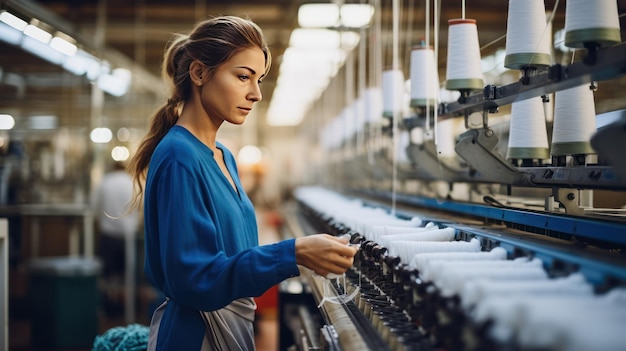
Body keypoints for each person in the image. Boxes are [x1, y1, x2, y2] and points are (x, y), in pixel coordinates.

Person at [126, 15, 358, 350]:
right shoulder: (180, 157)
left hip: (233, 330)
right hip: (196, 338)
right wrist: (294, 253)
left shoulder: (225, 157)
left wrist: (297, 252)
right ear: (200, 73)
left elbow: (233, 254)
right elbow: (194, 279)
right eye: (243, 77)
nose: (256, 94)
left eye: (259, 79)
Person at [91, 160, 140, 317]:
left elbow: (94, 208)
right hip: (130, 237)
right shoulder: (133, 182)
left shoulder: (104, 182)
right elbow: (143, 208)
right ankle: (128, 311)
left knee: (108, 275)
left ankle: (108, 309)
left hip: (109, 234)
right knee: (128, 275)